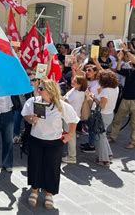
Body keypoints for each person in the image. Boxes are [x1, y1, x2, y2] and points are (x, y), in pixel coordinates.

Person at [22, 78, 79, 210]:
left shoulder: (61, 105)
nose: (38, 90)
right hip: (36, 139)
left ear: (50, 91)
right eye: (39, 88)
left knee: (52, 167)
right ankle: (35, 190)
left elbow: (73, 120)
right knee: (35, 165)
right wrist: (31, 120)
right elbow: (24, 114)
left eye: (41, 89)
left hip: (54, 142)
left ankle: (49, 193)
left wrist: (69, 135)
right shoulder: (34, 101)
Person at [110, 50, 135, 148]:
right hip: (125, 99)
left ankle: (133, 142)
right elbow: (119, 69)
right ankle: (113, 136)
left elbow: (133, 59)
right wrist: (120, 59)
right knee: (117, 119)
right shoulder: (130, 71)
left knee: (134, 123)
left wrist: (126, 50)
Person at [92, 70, 119, 167]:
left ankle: (104, 160)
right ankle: (109, 154)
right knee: (103, 136)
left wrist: (94, 98)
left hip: (102, 115)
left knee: (100, 138)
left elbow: (102, 105)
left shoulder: (105, 91)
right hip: (110, 114)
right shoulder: (116, 88)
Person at [61, 75, 87, 164]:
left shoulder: (76, 93)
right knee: (70, 134)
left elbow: (64, 101)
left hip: (70, 117)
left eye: (75, 81)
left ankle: (72, 156)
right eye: (73, 79)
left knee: (70, 136)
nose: (72, 81)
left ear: (80, 84)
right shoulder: (75, 90)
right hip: (71, 116)